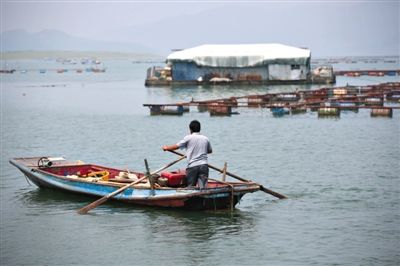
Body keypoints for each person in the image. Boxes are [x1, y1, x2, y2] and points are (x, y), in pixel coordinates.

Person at [162, 120, 212, 189]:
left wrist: (166, 148)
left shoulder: (188, 138)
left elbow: (177, 146)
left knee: (190, 187)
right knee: (203, 188)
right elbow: (209, 151)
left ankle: (191, 199)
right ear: (200, 129)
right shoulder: (205, 139)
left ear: (190, 129)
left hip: (193, 166)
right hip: (204, 165)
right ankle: (202, 198)